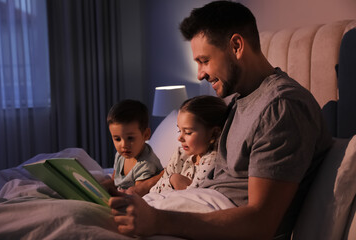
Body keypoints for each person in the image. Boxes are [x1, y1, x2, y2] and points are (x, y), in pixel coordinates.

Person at [108, 1, 333, 239]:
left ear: (236, 46)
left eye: (204, 60)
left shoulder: (281, 106)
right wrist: (139, 189)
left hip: (218, 216)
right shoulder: (240, 101)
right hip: (198, 204)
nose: (200, 74)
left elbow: (261, 222)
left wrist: (157, 221)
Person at [150, 95, 227, 193]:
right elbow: (153, 191)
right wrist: (172, 181)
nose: (180, 138)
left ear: (214, 133)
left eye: (188, 132)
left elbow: (193, 195)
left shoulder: (212, 160)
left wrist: (175, 181)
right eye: (179, 131)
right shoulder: (179, 155)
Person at [104, 99, 163, 191]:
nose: (123, 145)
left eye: (130, 138)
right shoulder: (120, 155)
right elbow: (114, 181)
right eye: (117, 139)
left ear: (146, 135)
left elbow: (138, 193)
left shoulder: (146, 164)